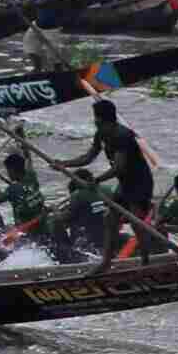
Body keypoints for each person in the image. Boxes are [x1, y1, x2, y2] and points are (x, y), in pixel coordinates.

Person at [58, 98, 157, 271]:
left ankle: (146, 261)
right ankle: (106, 262)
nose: (93, 120)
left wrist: (96, 180)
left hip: (140, 183)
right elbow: (88, 157)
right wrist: (63, 164)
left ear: (102, 119)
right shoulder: (101, 134)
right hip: (124, 183)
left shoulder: (122, 136)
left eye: (95, 117)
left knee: (135, 220)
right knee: (110, 219)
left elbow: (119, 167)